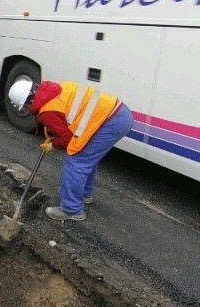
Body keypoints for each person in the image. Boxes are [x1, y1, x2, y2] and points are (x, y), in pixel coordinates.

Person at [9, 79, 133, 221]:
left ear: (27, 102)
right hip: (117, 113)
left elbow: (66, 138)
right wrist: (54, 134)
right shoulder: (54, 89)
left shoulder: (48, 111)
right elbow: (68, 116)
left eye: (24, 107)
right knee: (86, 158)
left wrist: (53, 145)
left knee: (76, 160)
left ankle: (71, 209)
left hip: (110, 121)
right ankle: (84, 194)